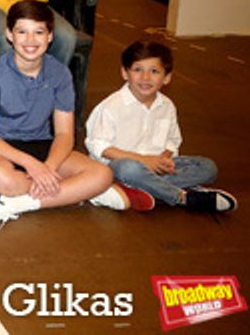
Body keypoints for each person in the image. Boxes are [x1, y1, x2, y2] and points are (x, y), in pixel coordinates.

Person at [0, 0, 132, 227]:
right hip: (1, 147)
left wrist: (48, 167)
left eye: (39, 32)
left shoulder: (60, 74)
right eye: (22, 32)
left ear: (50, 36)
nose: (30, 40)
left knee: (103, 174)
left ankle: (19, 203)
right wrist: (33, 166)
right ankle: (77, 192)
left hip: (41, 143)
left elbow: (64, 134)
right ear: (9, 34)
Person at [85, 41, 237, 213]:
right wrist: (143, 160)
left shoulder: (167, 106)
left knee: (208, 168)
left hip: (155, 168)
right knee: (128, 168)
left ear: (167, 77)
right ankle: (182, 197)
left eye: (154, 71)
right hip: (120, 168)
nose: (145, 77)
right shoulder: (111, 106)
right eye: (137, 69)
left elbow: (172, 141)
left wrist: (164, 159)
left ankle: (139, 189)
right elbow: (99, 145)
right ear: (125, 73)